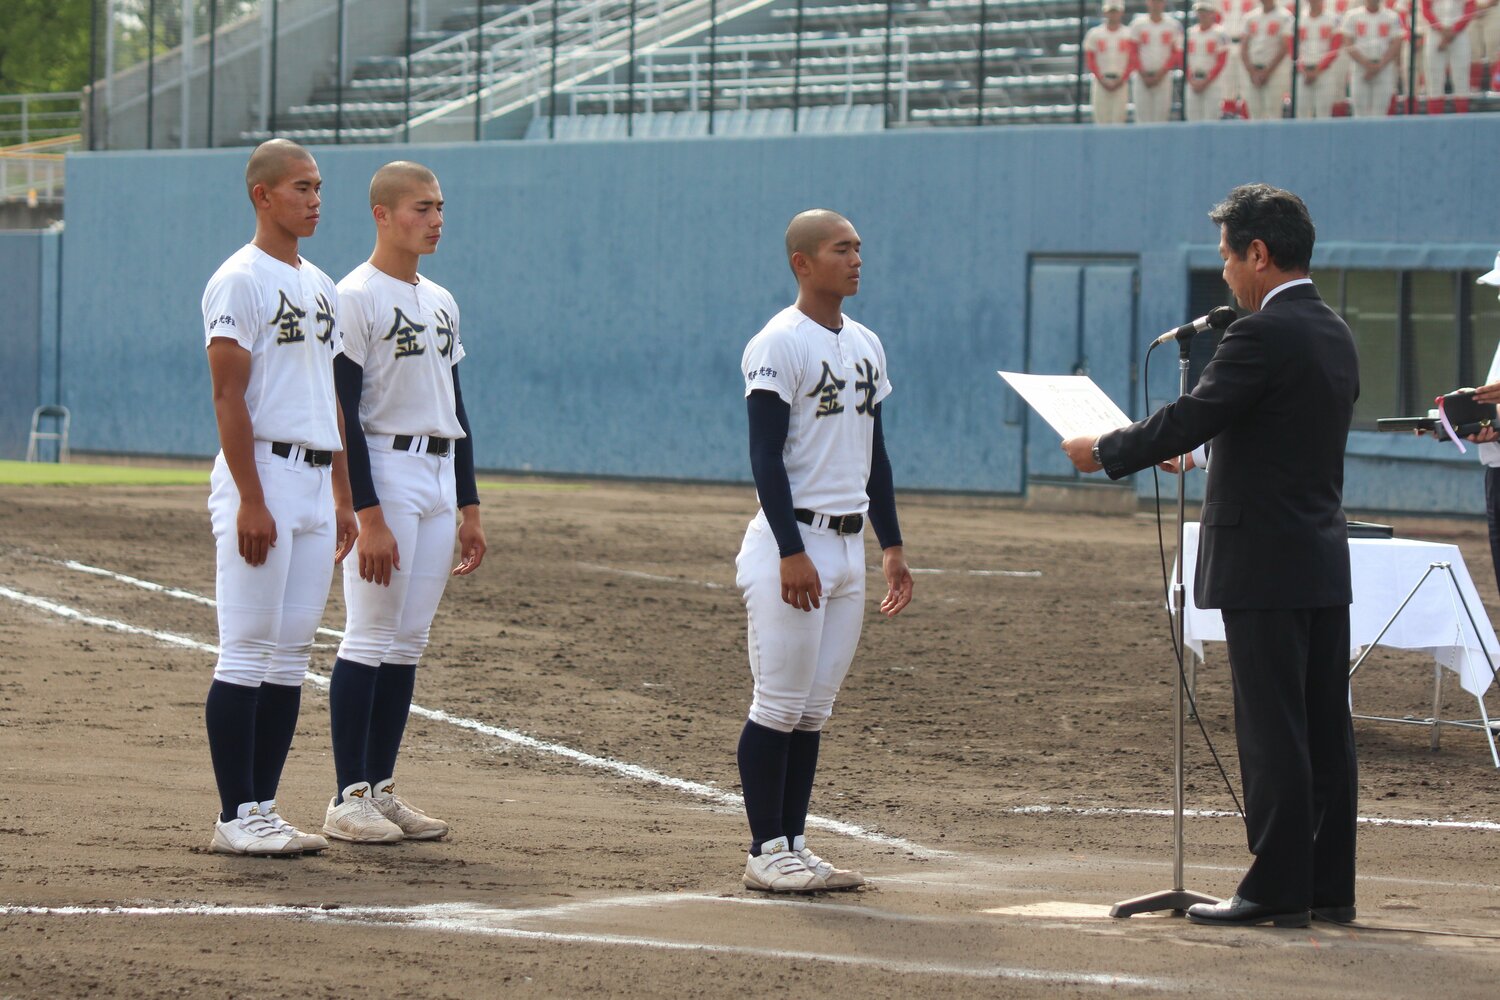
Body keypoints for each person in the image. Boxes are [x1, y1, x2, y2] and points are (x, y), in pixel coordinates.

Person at [1061, 184, 1360, 928]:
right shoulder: (1333, 330)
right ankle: (1328, 884)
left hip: (1262, 559)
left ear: (1258, 254)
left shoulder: (1258, 335)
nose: (1224, 274)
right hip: (1319, 554)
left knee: (1272, 728)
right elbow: (1270, 437)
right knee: (1324, 726)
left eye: (1228, 258)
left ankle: (1276, 886)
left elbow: (1196, 412)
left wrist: (1106, 450)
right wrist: (1196, 461)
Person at [734, 209, 913, 892]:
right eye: (842, 249)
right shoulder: (778, 343)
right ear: (802, 262)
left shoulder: (866, 343)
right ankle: (764, 850)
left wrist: (890, 545)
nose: (856, 259)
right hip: (794, 542)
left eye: (860, 248)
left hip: (846, 547)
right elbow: (764, 456)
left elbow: (877, 455)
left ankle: (795, 843)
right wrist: (788, 548)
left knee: (813, 711)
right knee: (778, 704)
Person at [201, 139, 357, 856]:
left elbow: (327, 399)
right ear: (263, 196)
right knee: (246, 652)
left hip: (314, 479)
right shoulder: (239, 280)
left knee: (291, 656)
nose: (315, 198)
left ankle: (264, 805)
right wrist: (250, 499)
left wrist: (344, 499)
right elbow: (229, 396)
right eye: (301, 187)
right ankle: (237, 815)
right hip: (259, 475)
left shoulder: (321, 284)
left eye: (319, 187)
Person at [323, 161, 487, 843]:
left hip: (438, 471)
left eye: (440, 207)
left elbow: (458, 404)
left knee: (408, 642)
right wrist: (367, 511)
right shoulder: (353, 295)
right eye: (421, 208)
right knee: (369, 633)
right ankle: (347, 795)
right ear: (382, 214)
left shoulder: (442, 300)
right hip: (385, 469)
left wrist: (470, 504)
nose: (436, 219)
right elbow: (343, 409)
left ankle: (382, 788)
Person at [1343, 0, 1405, 115]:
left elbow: (1396, 42)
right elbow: (1348, 43)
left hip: (1384, 68)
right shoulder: (1352, 16)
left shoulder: (1392, 17)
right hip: (1360, 69)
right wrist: (1366, 64)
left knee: (1380, 112)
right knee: (1359, 112)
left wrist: (1379, 65)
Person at [1086, 0, 1139, 124]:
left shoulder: (1128, 33)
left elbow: (1132, 59)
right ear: (1105, 12)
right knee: (1100, 120)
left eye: (1115, 11)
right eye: (1110, 11)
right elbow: (1090, 59)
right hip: (1101, 81)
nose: (1113, 15)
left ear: (1121, 12)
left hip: (1120, 81)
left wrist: (1123, 78)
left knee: (1119, 120)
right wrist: (1100, 78)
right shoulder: (1095, 34)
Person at [1131, 0, 1185, 123]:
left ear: (1164, 3)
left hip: (1163, 77)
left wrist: (1162, 72)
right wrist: (1142, 73)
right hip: (1141, 77)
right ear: (1147, 3)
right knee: (1142, 118)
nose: (1156, 4)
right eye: (1153, 1)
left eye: (1159, 1)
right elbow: (1132, 51)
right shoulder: (1137, 24)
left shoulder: (1172, 25)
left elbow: (1176, 52)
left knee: (1161, 117)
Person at [1421, 0, 1479, 112]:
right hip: (1435, 34)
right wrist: (1441, 30)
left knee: (1461, 79)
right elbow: (1425, 10)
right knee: (1434, 81)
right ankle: (1435, 123)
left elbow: (1470, 9)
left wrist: (1454, 30)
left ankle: (1462, 123)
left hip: (1459, 34)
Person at [1241, 0, 1295, 119]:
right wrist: (1252, 71)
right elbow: (1244, 46)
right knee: (1254, 112)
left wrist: (1267, 72)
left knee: (1273, 111)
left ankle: (1274, 138)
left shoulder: (1285, 16)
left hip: (1275, 71)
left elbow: (1284, 47)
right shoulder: (1250, 17)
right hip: (1253, 69)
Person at [1296, 0, 1348, 118]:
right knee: (1302, 113)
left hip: (1325, 71)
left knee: (1323, 113)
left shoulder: (1333, 19)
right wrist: (1302, 69)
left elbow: (1335, 48)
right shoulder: (1299, 20)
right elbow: (1293, 49)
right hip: (1303, 72)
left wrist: (1318, 69)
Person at [1186, 1, 1234, 121]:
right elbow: (1183, 59)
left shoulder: (1220, 33)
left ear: (1212, 14)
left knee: (1211, 117)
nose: (1202, 15)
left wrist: (1207, 80)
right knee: (1192, 118)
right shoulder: (1190, 33)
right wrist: (1190, 79)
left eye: (1205, 12)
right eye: (1200, 12)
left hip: (1212, 82)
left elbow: (1221, 61)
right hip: (1193, 80)